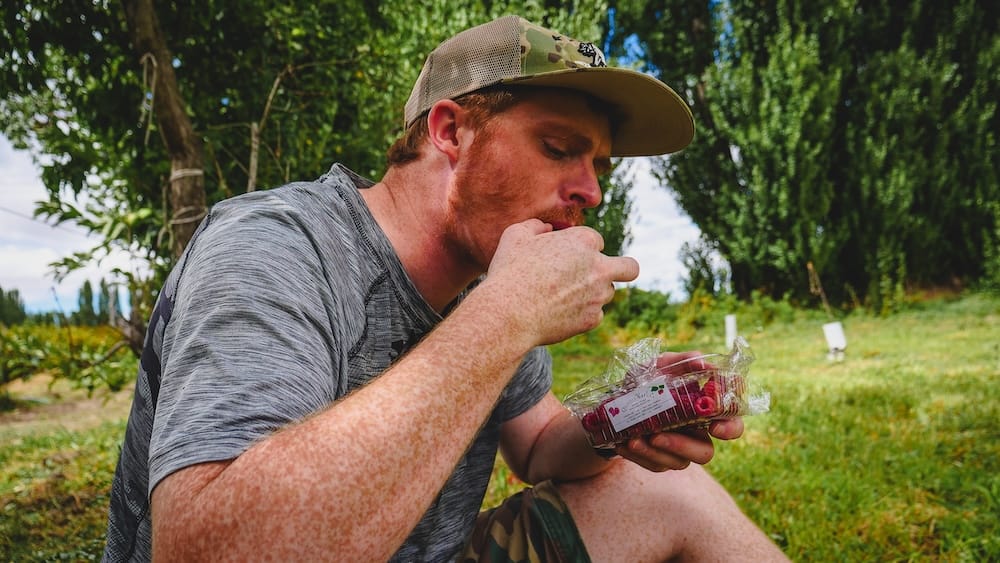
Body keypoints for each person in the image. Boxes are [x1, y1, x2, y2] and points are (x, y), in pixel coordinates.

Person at [103, 14, 789, 562]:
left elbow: (541, 441)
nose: (592, 190)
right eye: (559, 148)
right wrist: (505, 315)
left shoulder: (484, 279)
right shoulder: (274, 246)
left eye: (597, 163)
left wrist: (626, 416)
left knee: (670, 494)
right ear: (451, 130)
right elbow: (206, 552)